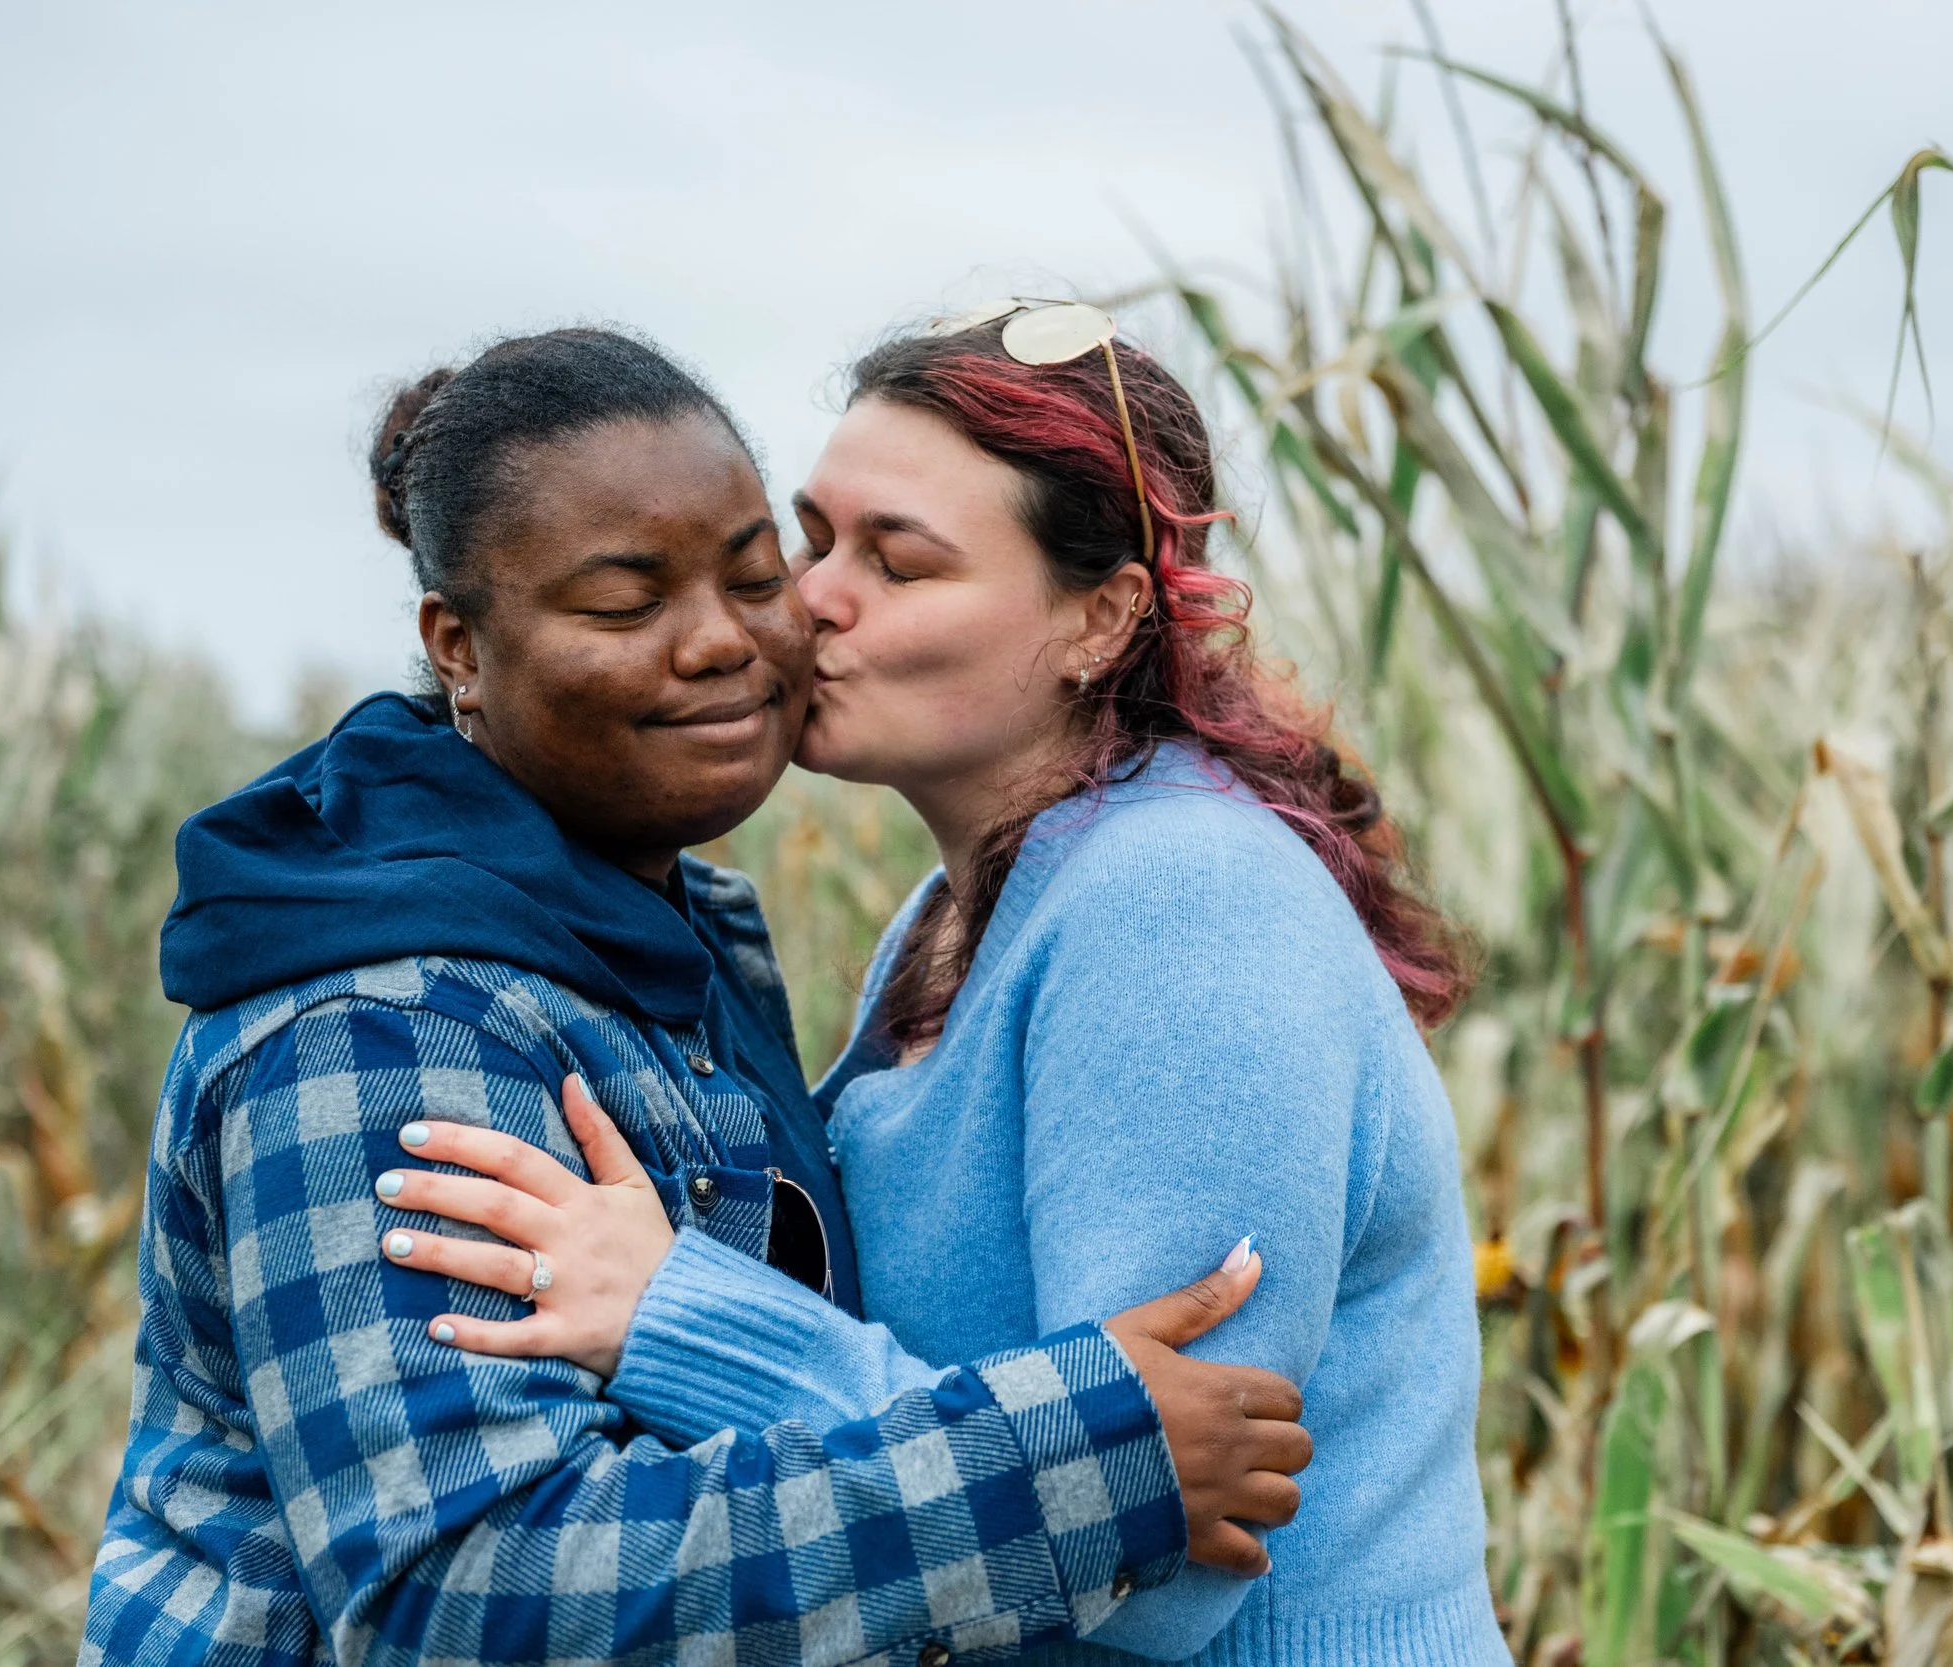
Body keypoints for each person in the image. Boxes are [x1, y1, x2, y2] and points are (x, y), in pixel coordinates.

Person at [79, 327, 1312, 1667]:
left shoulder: (675, 934)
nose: (726, 641)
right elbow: (466, 1589)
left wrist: (688, 1318)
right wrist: (1070, 1462)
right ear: (461, 647)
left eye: (753, 573)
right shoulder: (380, 1022)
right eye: (626, 602)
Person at [373, 303, 1508, 1664]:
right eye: (815, 541)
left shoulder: (1179, 903)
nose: (811, 602)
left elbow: (1166, 1547)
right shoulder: (965, 910)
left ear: (1101, 616)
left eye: (898, 565)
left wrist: (683, 1316)